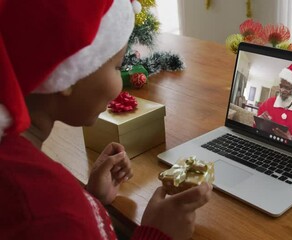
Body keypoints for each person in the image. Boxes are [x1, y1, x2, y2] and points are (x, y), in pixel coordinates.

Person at [0, 0, 212, 239]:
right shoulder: (52, 213)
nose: (120, 84)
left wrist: (91, 198)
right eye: (116, 66)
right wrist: (157, 233)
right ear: (69, 72)